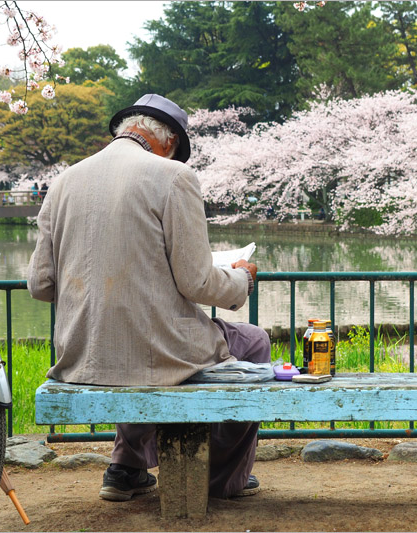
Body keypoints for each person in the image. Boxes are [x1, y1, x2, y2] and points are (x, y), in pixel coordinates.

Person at [26, 94, 269, 502]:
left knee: (131, 337)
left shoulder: (64, 181)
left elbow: (40, 285)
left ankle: (125, 468)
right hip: (155, 351)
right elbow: (196, 282)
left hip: (81, 355)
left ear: (126, 130)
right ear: (170, 141)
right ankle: (222, 477)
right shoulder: (173, 177)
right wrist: (240, 279)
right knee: (253, 342)